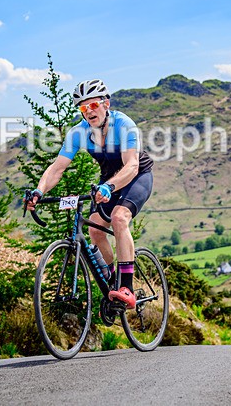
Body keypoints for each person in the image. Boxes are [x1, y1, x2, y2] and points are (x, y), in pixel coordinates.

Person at [25, 79, 154, 309]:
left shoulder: (124, 125)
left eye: (93, 105)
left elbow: (131, 165)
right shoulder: (79, 133)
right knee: (95, 229)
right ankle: (114, 281)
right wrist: (38, 190)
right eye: (83, 108)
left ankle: (127, 287)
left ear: (106, 103)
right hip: (108, 181)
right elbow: (57, 168)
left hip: (136, 175)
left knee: (119, 218)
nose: (89, 112)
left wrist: (109, 187)